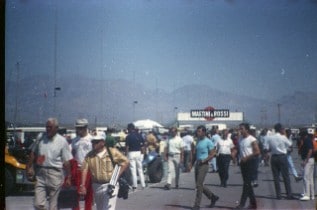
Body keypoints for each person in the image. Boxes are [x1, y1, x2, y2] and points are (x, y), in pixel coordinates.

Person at [26, 118, 73, 210]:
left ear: (56, 128)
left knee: (53, 206)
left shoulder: (62, 141)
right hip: (41, 174)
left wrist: (69, 177)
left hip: (55, 174)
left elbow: (66, 161)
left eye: (50, 127)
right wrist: (29, 167)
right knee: (38, 204)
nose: (47, 129)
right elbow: (33, 152)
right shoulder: (40, 137)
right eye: (46, 127)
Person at [79, 132, 129, 210]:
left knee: (108, 208)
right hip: (96, 186)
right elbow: (84, 169)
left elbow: (125, 162)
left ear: (103, 142)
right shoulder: (89, 155)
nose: (93, 144)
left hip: (110, 185)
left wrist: (116, 175)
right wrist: (82, 185)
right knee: (100, 208)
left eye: (96, 142)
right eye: (93, 142)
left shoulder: (112, 152)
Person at [263, 123, 295, 200]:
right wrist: (285, 135)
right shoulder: (283, 137)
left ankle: (278, 195)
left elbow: (266, 148)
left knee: (276, 177)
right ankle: (289, 194)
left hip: (273, 157)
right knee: (285, 176)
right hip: (282, 157)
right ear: (280, 129)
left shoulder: (270, 138)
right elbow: (290, 144)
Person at [192, 125, 219, 210]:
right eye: (197, 131)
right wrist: (191, 164)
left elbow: (213, 154)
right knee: (198, 185)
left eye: (199, 131)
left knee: (199, 184)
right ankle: (213, 197)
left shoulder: (208, 142)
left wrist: (204, 160)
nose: (197, 132)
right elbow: (195, 153)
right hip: (197, 164)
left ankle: (197, 205)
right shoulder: (198, 141)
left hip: (204, 165)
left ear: (204, 132)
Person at [234, 123, 260, 210]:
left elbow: (257, 152)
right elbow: (238, 148)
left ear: (247, 130)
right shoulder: (240, 139)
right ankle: (253, 204)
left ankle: (241, 204)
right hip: (243, 163)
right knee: (247, 184)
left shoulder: (252, 139)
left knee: (246, 184)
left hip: (250, 162)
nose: (240, 130)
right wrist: (234, 153)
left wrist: (247, 157)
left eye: (241, 129)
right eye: (239, 129)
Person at [71, 118, 93, 210]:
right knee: (74, 195)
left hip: (88, 169)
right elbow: (72, 153)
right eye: (77, 128)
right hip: (77, 169)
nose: (78, 130)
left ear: (85, 127)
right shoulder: (75, 140)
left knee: (88, 195)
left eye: (80, 128)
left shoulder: (91, 139)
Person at [125, 123, 146, 190]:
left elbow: (127, 147)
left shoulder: (128, 137)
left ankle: (135, 185)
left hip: (131, 153)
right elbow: (143, 146)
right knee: (140, 169)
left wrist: (126, 155)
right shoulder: (139, 135)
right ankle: (143, 184)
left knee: (133, 170)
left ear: (130, 129)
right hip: (138, 153)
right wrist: (143, 154)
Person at [298, 129, 315, 201]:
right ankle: (312, 194)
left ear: (303, 135)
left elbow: (310, 150)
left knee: (305, 177)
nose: (300, 137)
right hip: (311, 160)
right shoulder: (308, 140)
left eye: (301, 135)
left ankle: (307, 194)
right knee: (310, 178)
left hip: (308, 160)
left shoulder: (307, 140)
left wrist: (305, 161)